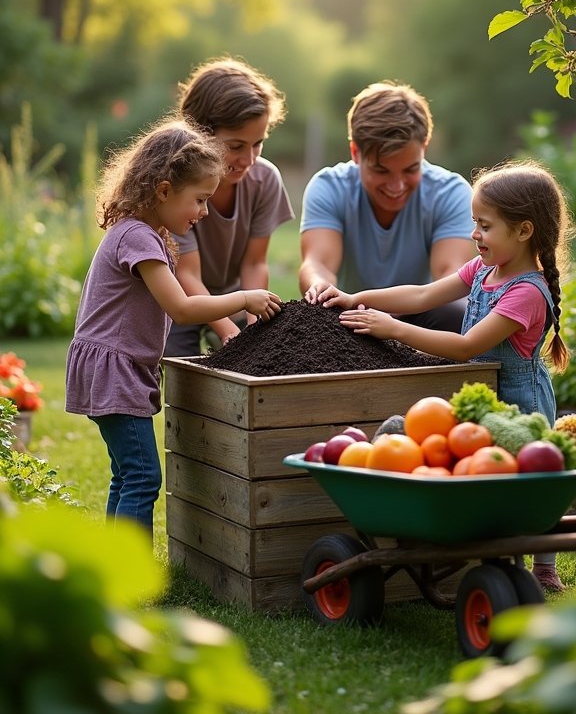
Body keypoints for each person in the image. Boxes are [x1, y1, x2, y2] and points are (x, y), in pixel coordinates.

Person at [317, 160, 573, 592]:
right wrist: (357, 296)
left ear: (524, 230)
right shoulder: (484, 272)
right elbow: (422, 294)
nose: (475, 234)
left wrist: (393, 327)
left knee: (532, 484)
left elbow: (466, 345)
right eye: (475, 223)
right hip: (482, 397)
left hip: (520, 402)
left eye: (485, 226)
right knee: (485, 479)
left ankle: (544, 566)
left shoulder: (527, 292)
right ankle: (489, 554)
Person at [65, 118, 282, 538]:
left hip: (117, 368)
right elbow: (182, 308)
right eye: (199, 200)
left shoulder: (141, 232)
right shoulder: (139, 238)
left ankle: (117, 570)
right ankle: (131, 581)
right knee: (143, 476)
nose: (204, 212)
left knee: (127, 475)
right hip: (116, 371)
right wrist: (244, 298)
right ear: (163, 190)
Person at [300, 80, 475, 332]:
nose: (396, 186)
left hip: (422, 322)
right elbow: (319, 264)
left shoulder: (451, 192)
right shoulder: (329, 187)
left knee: (458, 313)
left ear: (423, 148)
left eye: (410, 169)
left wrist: (393, 319)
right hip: (350, 318)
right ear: (355, 152)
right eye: (381, 170)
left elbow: (451, 277)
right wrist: (321, 288)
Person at [164, 56, 294, 356]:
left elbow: (254, 263)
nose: (249, 160)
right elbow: (187, 276)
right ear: (199, 133)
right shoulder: (176, 187)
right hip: (176, 299)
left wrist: (252, 328)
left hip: (235, 297)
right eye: (236, 146)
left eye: (258, 143)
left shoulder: (265, 180)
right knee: (177, 365)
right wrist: (230, 334)